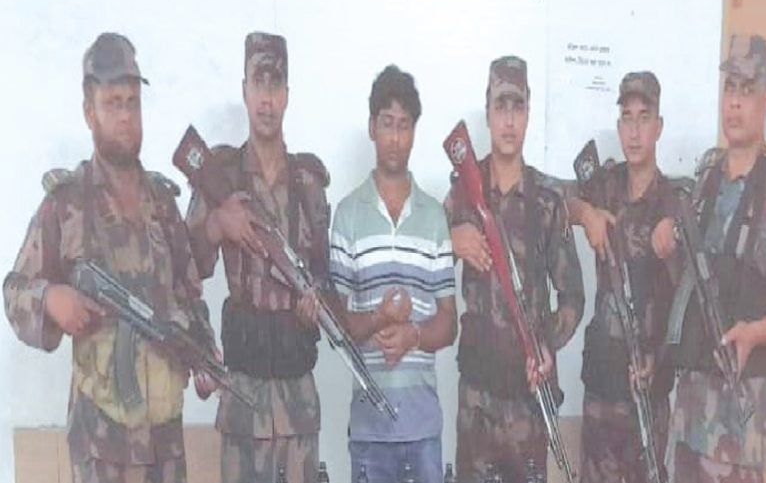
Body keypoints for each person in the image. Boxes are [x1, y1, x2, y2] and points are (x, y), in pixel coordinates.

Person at [3, 32, 218, 483]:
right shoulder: (67, 203)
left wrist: (203, 349)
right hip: (101, 449)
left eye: (133, 103)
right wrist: (50, 298)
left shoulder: (163, 203)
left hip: (165, 447)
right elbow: (15, 290)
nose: (125, 116)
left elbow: (189, 292)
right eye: (113, 103)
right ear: (90, 111)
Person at [654, 34, 766, 482]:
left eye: (747, 90)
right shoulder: (706, 176)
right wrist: (668, 243)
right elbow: (689, 283)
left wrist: (756, 333)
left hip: (738, 429)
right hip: (689, 417)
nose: (734, 102)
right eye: (730, 87)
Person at [184, 32, 330, 483]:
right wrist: (217, 224)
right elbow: (183, 271)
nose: (267, 99)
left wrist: (316, 304)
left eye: (275, 84)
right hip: (243, 399)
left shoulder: (308, 182)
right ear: (244, 90)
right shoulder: (220, 174)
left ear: (287, 94)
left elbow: (325, 274)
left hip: (297, 401)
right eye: (258, 83)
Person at [444, 55, 585, 483]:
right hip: (476, 403)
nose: (509, 120)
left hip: (528, 400)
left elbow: (574, 297)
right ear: (487, 111)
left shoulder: (547, 201)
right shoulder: (462, 193)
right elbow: (424, 262)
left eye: (518, 107)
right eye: (500, 106)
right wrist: (450, 240)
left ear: (528, 111)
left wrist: (547, 345)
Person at [329, 64, 457, 483]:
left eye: (404, 125)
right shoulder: (347, 215)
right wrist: (379, 319)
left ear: (414, 131)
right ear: (372, 127)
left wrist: (413, 336)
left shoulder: (434, 217)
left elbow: (449, 323)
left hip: (423, 429)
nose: (395, 138)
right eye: (387, 123)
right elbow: (336, 325)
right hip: (370, 432)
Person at [567, 71, 679, 482]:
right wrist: (586, 213)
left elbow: (685, 300)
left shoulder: (674, 200)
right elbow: (557, 200)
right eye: (627, 118)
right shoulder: (604, 186)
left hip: (648, 381)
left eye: (644, 118)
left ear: (659, 127)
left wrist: (675, 231)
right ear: (618, 127)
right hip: (602, 383)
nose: (634, 131)